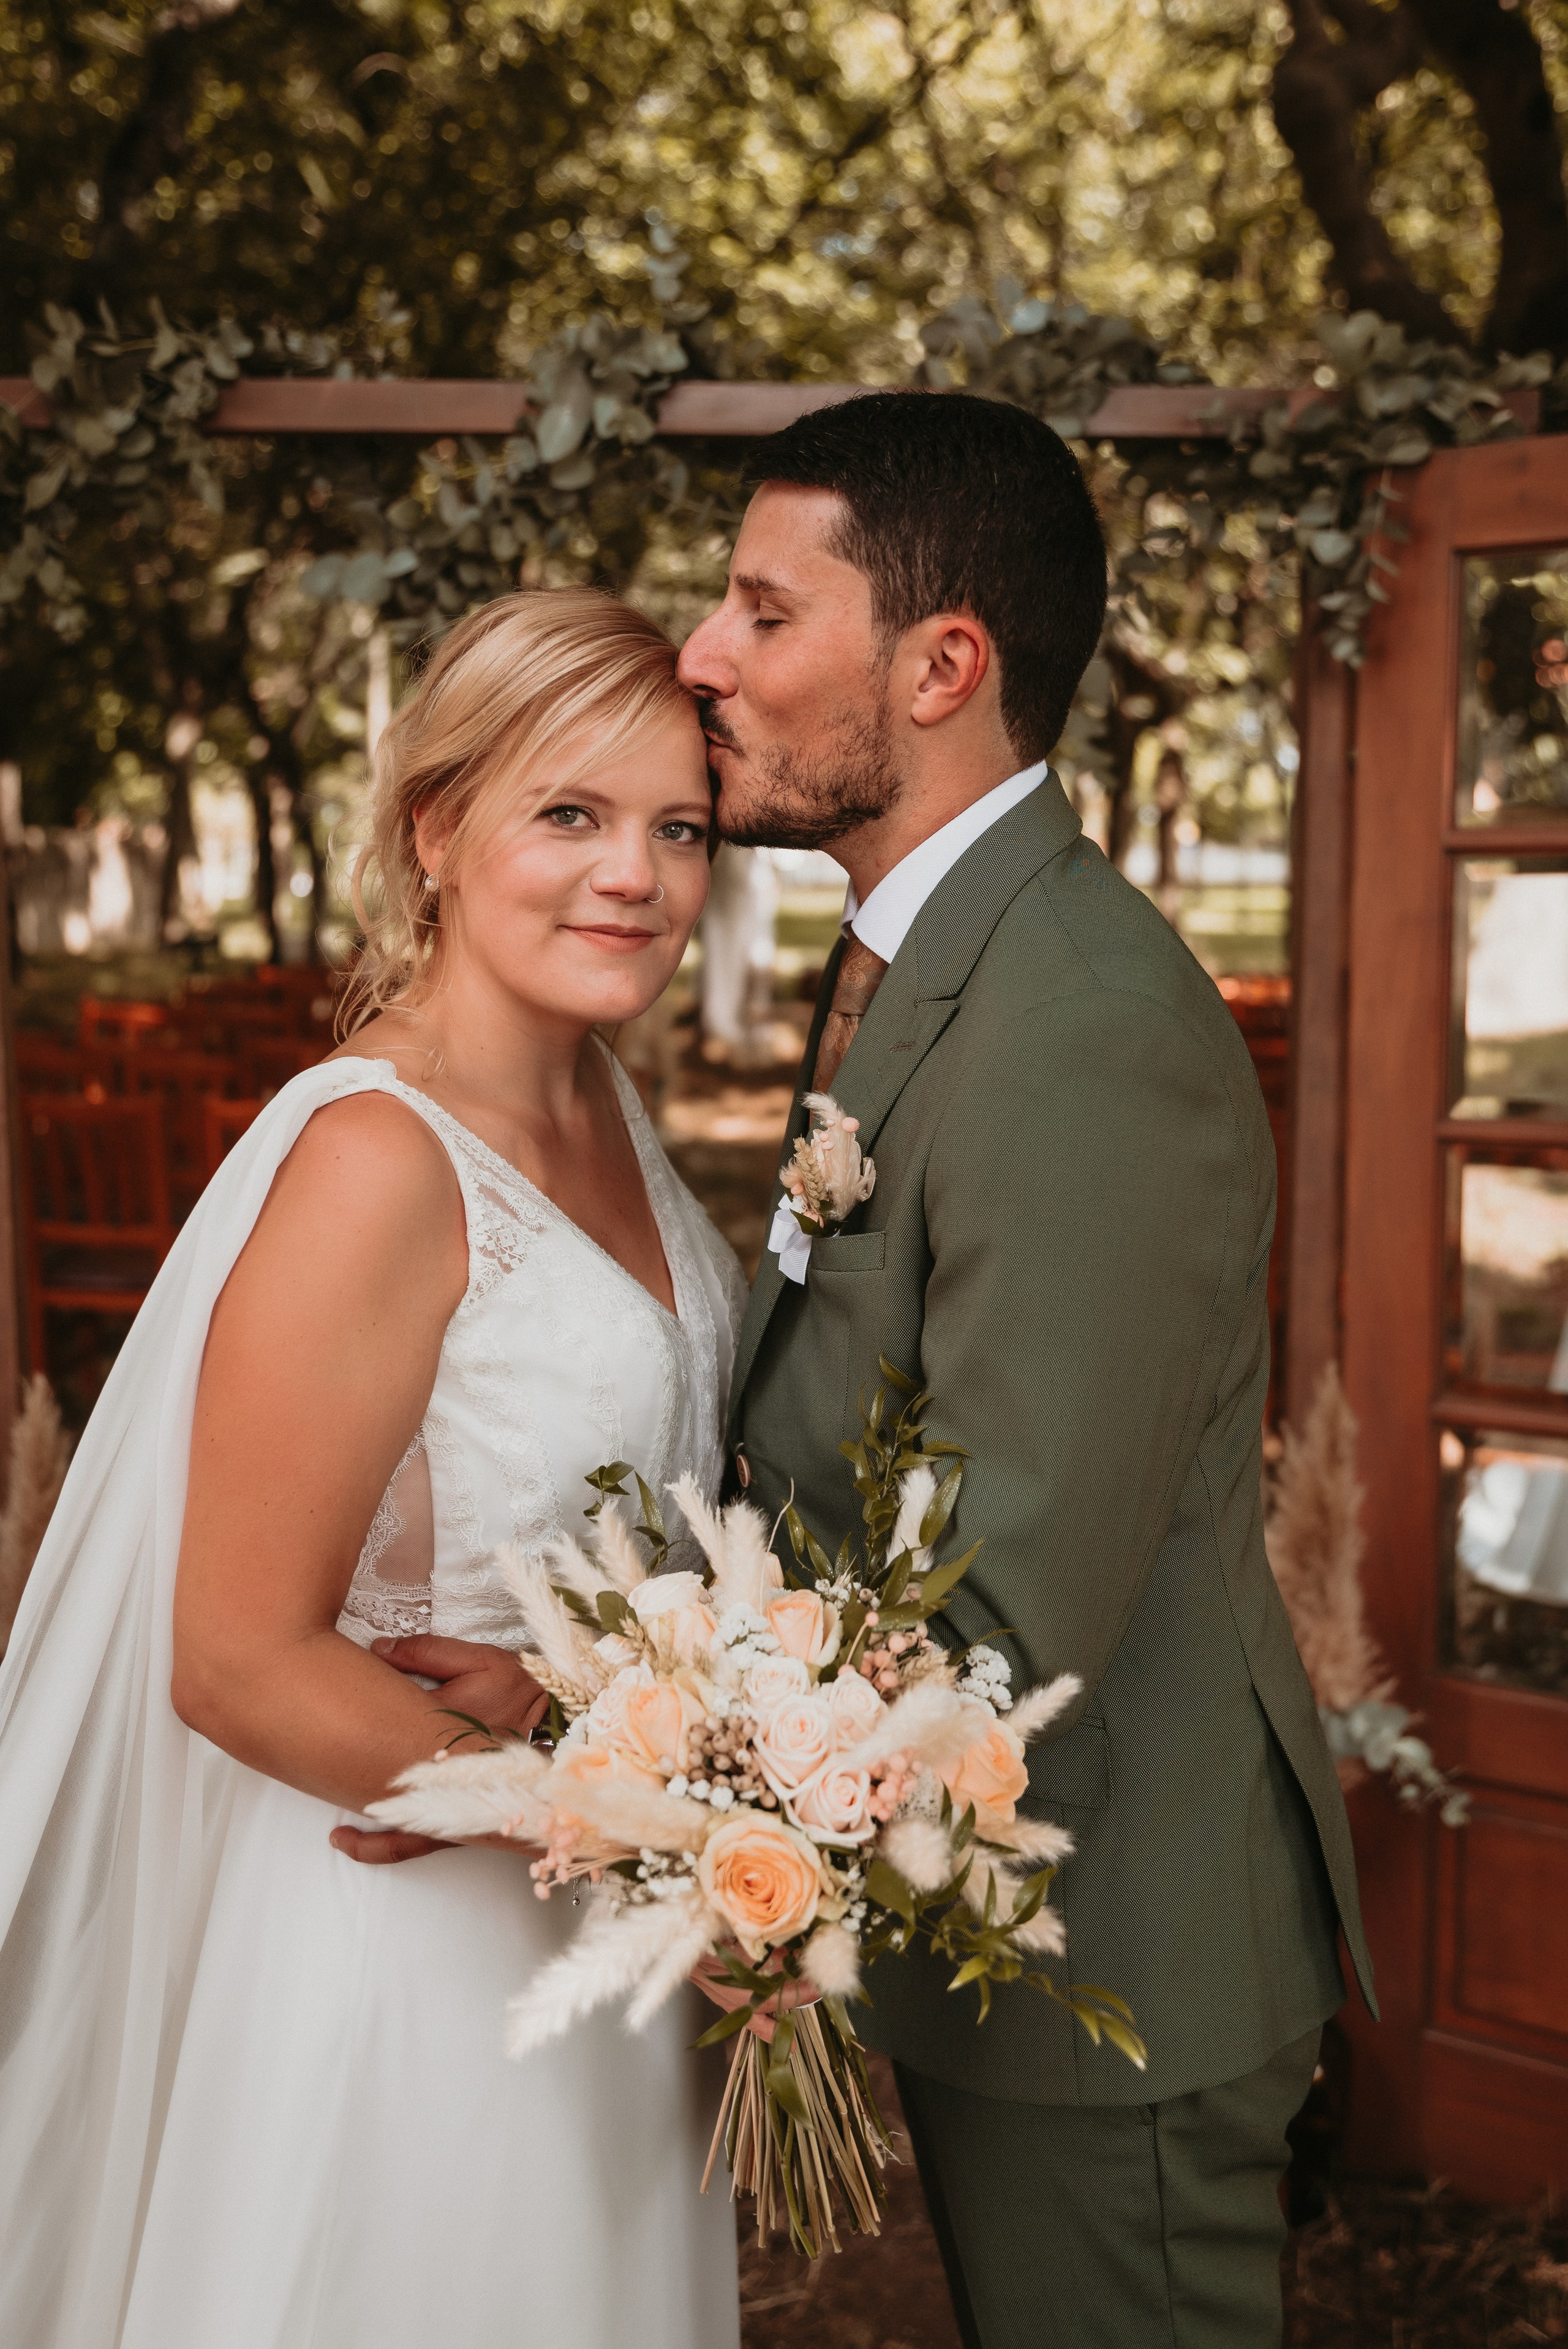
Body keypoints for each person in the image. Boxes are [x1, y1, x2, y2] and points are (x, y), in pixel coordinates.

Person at [677, 389, 1374, 2349]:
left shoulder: (1076, 1019)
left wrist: (649, 1748)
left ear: (941, 665)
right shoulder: (925, 948)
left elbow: (995, 1599)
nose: (702, 656)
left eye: (758, 608)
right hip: (1001, 1915)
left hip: (1120, 1941)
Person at [0, 590, 744, 2349]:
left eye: (680, 827)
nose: (632, 873)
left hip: (592, 1926)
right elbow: (237, 1655)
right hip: (412, 1947)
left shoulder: (600, 1106)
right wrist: (639, 1827)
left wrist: (673, 1763)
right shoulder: (374, 1161)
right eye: (570, 812)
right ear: (438, 826)